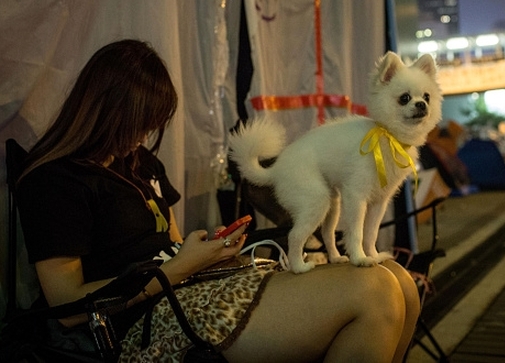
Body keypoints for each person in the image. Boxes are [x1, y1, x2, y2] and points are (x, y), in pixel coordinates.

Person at [15, 40, 420, 362]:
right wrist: (177, 269)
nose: (144, 135)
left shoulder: (139, 162)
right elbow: (67, 308)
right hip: (147, 323)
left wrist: (210, 253)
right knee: (375, 293)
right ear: (106, 111)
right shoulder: (56, 181)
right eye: (139, 123)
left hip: (193, 288)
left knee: (401, 283)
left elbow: (173, 244)